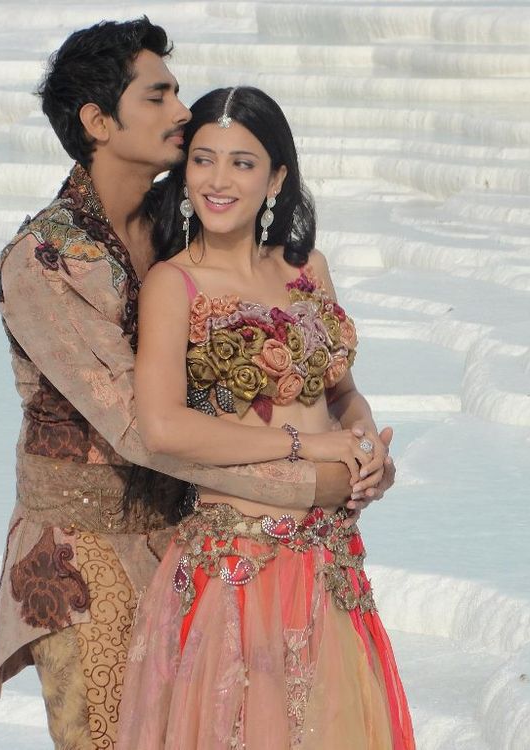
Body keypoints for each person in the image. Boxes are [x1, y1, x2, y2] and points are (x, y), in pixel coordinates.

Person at [0, 19, 395, 750]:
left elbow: (288, 379)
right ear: (98, 122)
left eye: (179, 91)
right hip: (85, 556)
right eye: (158, 96)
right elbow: (144, 428)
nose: (181, 112)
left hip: (193, 535)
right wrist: (320, 479)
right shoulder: (46, 260)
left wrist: (358, 445)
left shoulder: (170, 227)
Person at [116, 86, 415, 749]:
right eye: (203, 160)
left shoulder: (308, 270)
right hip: (235, 567)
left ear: (276, 178)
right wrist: (307, 444)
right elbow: (163, 427)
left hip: (327, 565)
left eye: (242, 163)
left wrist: (368, 448)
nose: (217, 180)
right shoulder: (174, 284)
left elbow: (343, 394)